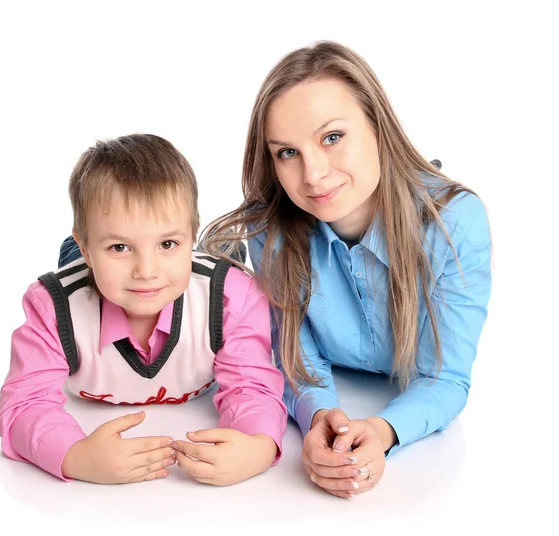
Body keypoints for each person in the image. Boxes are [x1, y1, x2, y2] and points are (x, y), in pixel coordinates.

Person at [200, 41, 492, 499]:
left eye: (332, 137)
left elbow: (445, 376)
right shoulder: (271, 229)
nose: (313, 174)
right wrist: (320, 417)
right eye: (287, 153)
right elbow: (296, 352)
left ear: (378, 127)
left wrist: (381, 430)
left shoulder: (453, 223)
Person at [0, 133, 287, 486]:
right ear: (87, 248)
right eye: (120, 247)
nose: (146, 271)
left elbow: (253, 387)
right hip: (85, 276)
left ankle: (196, 248)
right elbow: (23, 404)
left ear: (189, 238)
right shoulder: (52, 308)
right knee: (87, 273)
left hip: (204, 276)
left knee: (220, 262)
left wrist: (258, 445)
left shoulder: (232, 299)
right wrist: (74, 455)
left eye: (168, 243)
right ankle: (101, 251)